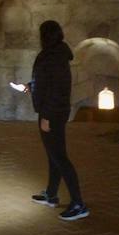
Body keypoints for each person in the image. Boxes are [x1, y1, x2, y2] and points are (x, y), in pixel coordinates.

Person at [17, 20, 90, 222]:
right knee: (54, 155)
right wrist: (31, 86)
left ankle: (78, 204)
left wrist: (47, 117)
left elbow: (57, 91)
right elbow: (47, 83)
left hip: (53, 114)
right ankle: (51, 194)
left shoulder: (54, 57)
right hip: (52, 111)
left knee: (60, 157)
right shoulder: (55, 55)